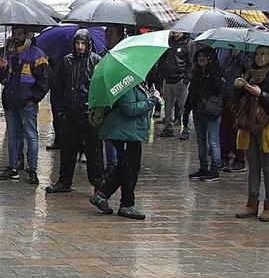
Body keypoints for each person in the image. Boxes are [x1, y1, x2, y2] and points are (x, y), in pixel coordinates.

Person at [233, 45, 269, 222]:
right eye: (257, 54)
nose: (259, 57)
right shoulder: (250, 74)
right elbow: (239, 101)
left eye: (263, 54)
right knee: (253, 165)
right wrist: (239, 87)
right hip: (250, 125)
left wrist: (262, 94)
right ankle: (251, 203)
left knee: (268, 167)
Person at [46, 30, 103, 194]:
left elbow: (99, 88)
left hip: (88, 114)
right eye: (77, 43)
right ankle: (64, 181)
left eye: (83, 43)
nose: (80, 47)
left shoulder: (95, 61)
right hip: (69, 113)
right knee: (68, 149)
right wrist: (60, 111)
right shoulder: (67, 61)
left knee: (94, 151)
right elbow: (58, 87)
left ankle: (98, 183)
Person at [90, 80, 154, 219]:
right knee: (129, 170)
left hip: (131, 133)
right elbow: (129, 108)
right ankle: (126, 205)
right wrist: (152, 101)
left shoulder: (137, 84)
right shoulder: (127, 85)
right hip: (125, 134)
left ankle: (102, 195)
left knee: (125, 168)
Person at [0, 28, 50, 183]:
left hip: (27, 103)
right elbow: (2, 79)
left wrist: (34, 98)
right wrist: (2, 67)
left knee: (31, 135)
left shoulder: (37, 54)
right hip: (11, 101)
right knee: (13, 136)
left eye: (19, 34)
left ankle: (32, 169)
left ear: (27, 35)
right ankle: (13, 167)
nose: (16, 37)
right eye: (14, 33)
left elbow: (45, 80)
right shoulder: (10, 54)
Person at [187, 46, 226, 180]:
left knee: (213, 140)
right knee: (201, 140)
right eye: (199, 56)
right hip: (198, 110)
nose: (201, 58)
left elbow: (219, 89)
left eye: (204, 56)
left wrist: (207, 79)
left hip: (212, 111)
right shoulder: (196, 73)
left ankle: (215, 169)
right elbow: (192, 92)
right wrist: (187, 110)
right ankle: (203, 167)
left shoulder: (215, 73)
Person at [155, 36, 189, 140]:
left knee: (184, 106)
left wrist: (186, 78)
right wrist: (161, 74)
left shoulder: (188, 44)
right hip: (168, 78)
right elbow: (162, 59)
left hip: (180, 79)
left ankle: (185, 128)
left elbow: (190, 61)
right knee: (168, 106)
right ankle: (168, 126)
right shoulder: (168, 42)